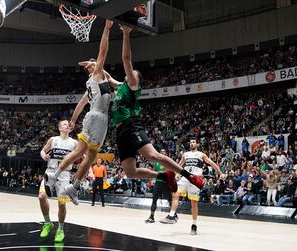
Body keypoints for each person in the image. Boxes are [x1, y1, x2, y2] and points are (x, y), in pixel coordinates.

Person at [111, 26, 205, 203]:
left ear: (136, 80)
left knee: (152, 155)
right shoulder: (119, 87)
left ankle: (189, 175)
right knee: (130, 173)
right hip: (120, 131)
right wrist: (93, 67)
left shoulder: (132, 86)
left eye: (134, 74)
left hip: (131, 125)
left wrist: (125, 33)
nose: (130, 74)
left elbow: (126, 59)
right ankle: (163, 176)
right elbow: (106, 76)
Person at [45, 20, 121, 205]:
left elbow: (81, 103)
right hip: (99, 117)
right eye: (95, 64)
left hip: (91, 116)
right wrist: (106, 28)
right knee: (88, 154)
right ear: (93, 68)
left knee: (84, 153)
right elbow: (103, 51)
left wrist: (73, 120)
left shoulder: (96, 82)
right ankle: (66, 181)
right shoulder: (96, 75)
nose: (98, 64)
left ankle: (68, 183)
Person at [160, 139, 225, 235]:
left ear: (197, 144)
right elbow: (178, 165)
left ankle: (194, 225)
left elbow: (212, 163)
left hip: (196, 179)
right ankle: (172, 216)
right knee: (175, 193)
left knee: (194, 203)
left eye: (194, 142)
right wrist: (176, 174)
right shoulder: (185, 154)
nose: (192, 143)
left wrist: (220, 173)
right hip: (185, 177)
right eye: (190, 142)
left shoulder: (201, 154)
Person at [38, 120, 78, 243]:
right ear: (60, 128)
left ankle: (60, 229)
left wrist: (89, 171)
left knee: (61, 204)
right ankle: (48, 222)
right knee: (41, 196)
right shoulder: (53, 140)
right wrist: (43, 155)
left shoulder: (74, 142)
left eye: (68, 124)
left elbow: (85, 156)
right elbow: (42, 150)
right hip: (50, 171)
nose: (67, 125)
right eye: (65, 124)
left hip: (65, 174)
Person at [145, 149, 174, 223]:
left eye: (164, 152)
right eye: (161, 152)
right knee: (154, 200)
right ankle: (151, 217)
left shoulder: (168, 162)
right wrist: (149, 181)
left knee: (170, 200)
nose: (162, 153)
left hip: (166, 183)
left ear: (166, 153)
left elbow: (171, 173)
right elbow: (153, 172)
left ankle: (174, 215)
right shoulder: (156, 162)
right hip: (158, 183)